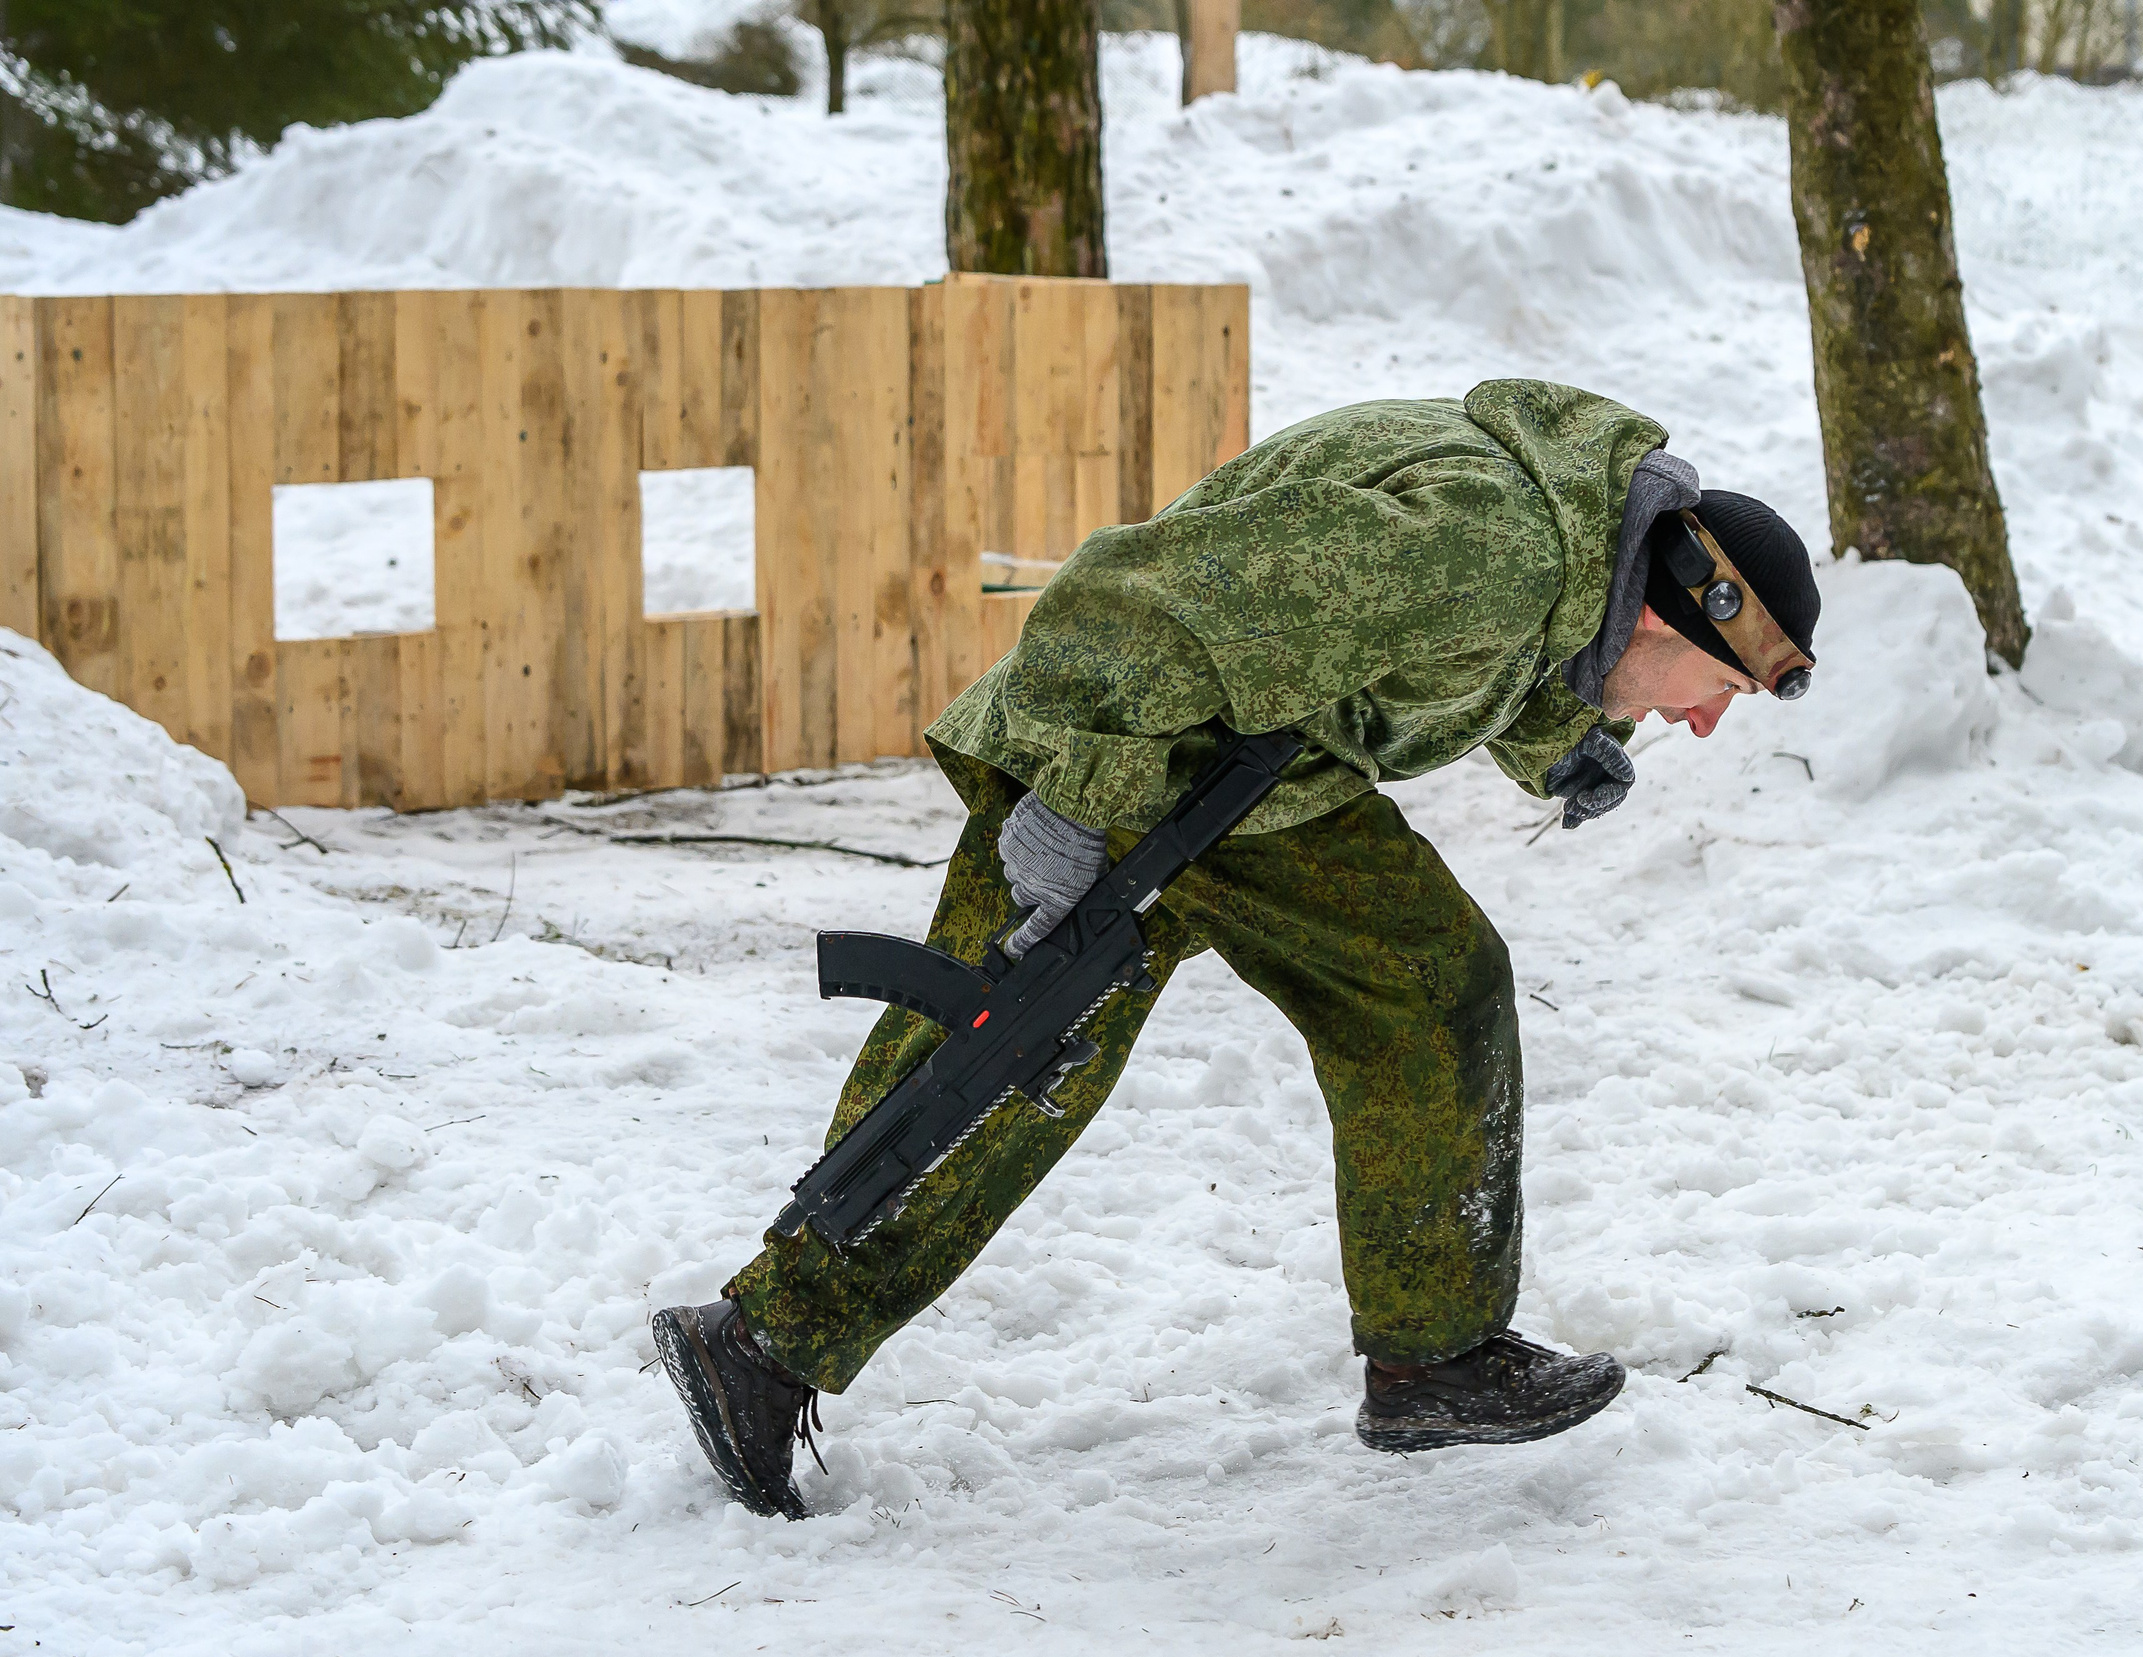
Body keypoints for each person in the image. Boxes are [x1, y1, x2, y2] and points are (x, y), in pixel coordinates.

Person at [653, 380, 1821, 1519]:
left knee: (1428, 985)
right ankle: (761, 1342)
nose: (1703, 719)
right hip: (1127, 755)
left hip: (1260, 785)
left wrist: (1563, 740)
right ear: (1674, 611)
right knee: (1003, 1054)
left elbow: (1434, 654)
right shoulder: (1485, 541)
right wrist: (1073, 801)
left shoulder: (1565, 563)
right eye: (1716, 688)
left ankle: (1436, 1354)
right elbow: (1140, 603)